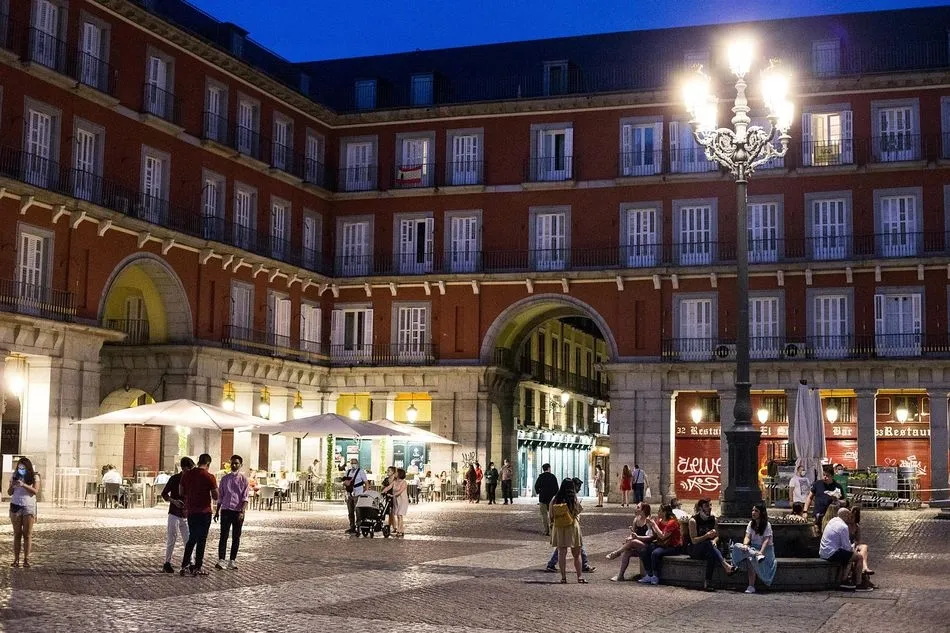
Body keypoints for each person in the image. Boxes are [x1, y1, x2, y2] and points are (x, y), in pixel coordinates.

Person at [179, 453, 219, 576]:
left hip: (191, 511)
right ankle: (197, 567)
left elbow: (181, 491)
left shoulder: (187, 475)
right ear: (208, 464)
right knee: (201, 540)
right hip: (204, 512)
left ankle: (185, 566)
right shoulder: (209, 477)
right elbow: (215, 496)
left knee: (192, 538)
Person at [545, 478, 596, 574]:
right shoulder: (573, 499)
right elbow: (577, 511)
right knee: (577, 551)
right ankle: (580, 574)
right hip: (572, 527)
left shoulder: (555, 499)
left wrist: (552, 524)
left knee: (561, 551)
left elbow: (551, 515)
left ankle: (562, 576)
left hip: (559, 527)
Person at [687, 498, 737, 591]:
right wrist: (706, 536)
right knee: (708, 544)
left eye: (710, 505)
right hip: (695, 549)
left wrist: (714, 540)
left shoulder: (713, 519)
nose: (709, 508)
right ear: (701, 508)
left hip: (709, 548)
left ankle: (707, 582)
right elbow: (694, 540)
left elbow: (717, 536)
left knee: (712, 555)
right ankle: (726, 565)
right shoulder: (693, 520)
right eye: (706, 506)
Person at [820, 507, 872, 591]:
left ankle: (846, 579)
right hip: (832, 553)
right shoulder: (843, 527)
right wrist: (854, 551)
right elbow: (847, 547)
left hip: (824, 551)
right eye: (849, 516)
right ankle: (858, 583)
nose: (850, 517)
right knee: (859, 557)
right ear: (846, 516)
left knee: (850, 557)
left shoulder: (832, 521)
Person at [729, 502, 777, 593]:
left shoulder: (767, 525)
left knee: (750, 559)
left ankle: (751, 586)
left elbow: (766, 540)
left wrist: (761, 552)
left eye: (756, 511)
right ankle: (753, 554)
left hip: (765, 551)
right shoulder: (751, 524)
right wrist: (745, 545)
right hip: (753, 549)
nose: (753, 512)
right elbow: (747, 536)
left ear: (761, 513)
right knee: (736, 546)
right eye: (753, 510)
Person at [215, 454, 249, 571]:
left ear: (240, 465)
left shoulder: (244, 480)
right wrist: (217, 511)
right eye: (232, 463)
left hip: (237, 511)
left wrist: (242, 511)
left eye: (236, 463)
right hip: (225, 510)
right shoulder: (224, 479)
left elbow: (245, 497)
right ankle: (221, 559)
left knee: (236, 536)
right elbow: (221, 496)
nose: (234, 465)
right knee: (223, 536)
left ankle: (232, 560)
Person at [160, 457, 194, 573]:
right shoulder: (174, 479)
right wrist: (174, 501)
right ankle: (167, 562)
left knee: (188, 540)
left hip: (186, 514)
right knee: (172, 538)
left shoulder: (192, 479)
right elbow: (164, 494)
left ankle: (190, 562)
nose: (190, 471)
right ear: (184, 468)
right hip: (174, 513)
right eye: (189, 469)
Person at [638, 503, 683, 585]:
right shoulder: (660, 521)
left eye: (660, 511)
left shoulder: (672, 522)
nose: (658, 513)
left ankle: (655, 576)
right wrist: (650, 525)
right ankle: (649, 574)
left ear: (664, 512)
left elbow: (663, 536)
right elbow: (656, 535)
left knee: (655, 553)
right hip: (661, 544)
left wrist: (654, 525)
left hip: (673, 546)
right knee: (644, 551)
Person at [608, 502, 654, 581]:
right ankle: (620, 575)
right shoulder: (636, 520)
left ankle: (617, 553)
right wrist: (629, 538)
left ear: (643, 510)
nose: (636, 509)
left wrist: (636, 538)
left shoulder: (649, 521)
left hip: (647, 546)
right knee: (627, 552)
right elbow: (632, 535)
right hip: (637, 545)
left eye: (638, 507)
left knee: (633, 542)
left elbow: (651, 537)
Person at [8, 456, 39, 568]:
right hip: (15, 505)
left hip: (28, 506)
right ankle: (16, 559)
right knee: (17, 534)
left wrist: (23, 484)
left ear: (28, 468)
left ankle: (26, 559)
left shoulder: (34, 477)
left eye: (23, 467)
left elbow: (35, 492)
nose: (21, 469)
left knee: (27, 534)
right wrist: (12, 485)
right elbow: (10, 492)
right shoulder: (14, 475)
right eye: (20, 467)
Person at [342, 458, 368, 534]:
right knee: (350, 512)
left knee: (358, 511)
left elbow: (366, 483)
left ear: (357, 463)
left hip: (358, 493)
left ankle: (359, 526)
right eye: (352, 463)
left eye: (355, 463)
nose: (353, 464)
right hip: (349, 493)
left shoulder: (361, 472)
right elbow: (344, 482)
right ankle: (352, 527)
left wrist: (365, 493)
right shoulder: (348, 472)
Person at [850, 506, 874, 582]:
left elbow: (858, 540)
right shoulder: (845, 526)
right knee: (859, 554)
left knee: (864, 547)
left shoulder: (857, 527)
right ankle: (864, 569)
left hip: (854, 545)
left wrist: (855, 544)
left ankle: (865, 567)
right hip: (847, 545)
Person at [534, 463, 559, 536]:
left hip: (542, 498)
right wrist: (554, 495)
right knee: (552, 515)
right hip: (551, 499)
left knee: (544, 515)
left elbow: (536, 486)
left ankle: (546, 531)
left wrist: (539, 492)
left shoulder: (540, 477)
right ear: (548, 468)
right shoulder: (553, 477)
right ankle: (552, 531)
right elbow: (556, 488)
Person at [382, 467, 409, 536]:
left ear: (400, 474)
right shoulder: (395, 482)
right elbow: (388, 487)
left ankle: (399, 531)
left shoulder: (404, 482)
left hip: (402, 500)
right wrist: (382, 492)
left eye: (396, 473)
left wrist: (392, 495)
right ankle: (401, 530)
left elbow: (400, 491)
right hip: (396, 500)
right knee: (398, 515)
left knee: (400, 515)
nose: (395, 474)